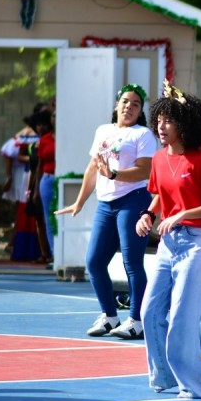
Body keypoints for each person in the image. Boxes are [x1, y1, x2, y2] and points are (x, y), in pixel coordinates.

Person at [137, 81, 201, 399]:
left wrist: (182, 214)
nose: (161, 127)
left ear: (185, 125)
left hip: (196, 243)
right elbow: (160, 195)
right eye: (159, 120)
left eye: (169, 121)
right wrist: (148, 214)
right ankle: (164, 376)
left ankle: (193, 385)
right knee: (149, 312)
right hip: (168, 243)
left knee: (182, 317)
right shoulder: (159, 158)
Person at [56, 84, 157, 339]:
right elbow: (93, 168)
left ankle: (137, 320)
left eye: (136, 104)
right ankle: (110, 316)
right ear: (116, 104)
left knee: (131, 262)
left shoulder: (143, 134)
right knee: (94, 262)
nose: (129, 107)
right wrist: (79, 202)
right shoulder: (103, 130)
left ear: (140, 111)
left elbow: (144, 170)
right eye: (125, 101)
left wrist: (113, 174)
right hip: (105, 205)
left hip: (133, 200)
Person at [0, 113, 42, 261]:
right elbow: (15, 155)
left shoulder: (22, 134)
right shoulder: (28, 135)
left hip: (24, 174)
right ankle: (20, 247)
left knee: (22, 211)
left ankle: (15, 245)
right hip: (27, 174)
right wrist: (35, 159)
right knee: (25, 210)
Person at [33, 108, 56, 261]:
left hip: (63, 180)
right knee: (49, 218)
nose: (55, 118)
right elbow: (39, 166)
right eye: (53, 116)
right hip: (47, 180)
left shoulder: (67, 137)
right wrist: (35, 190)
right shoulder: (45, 139)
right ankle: (54, 254)